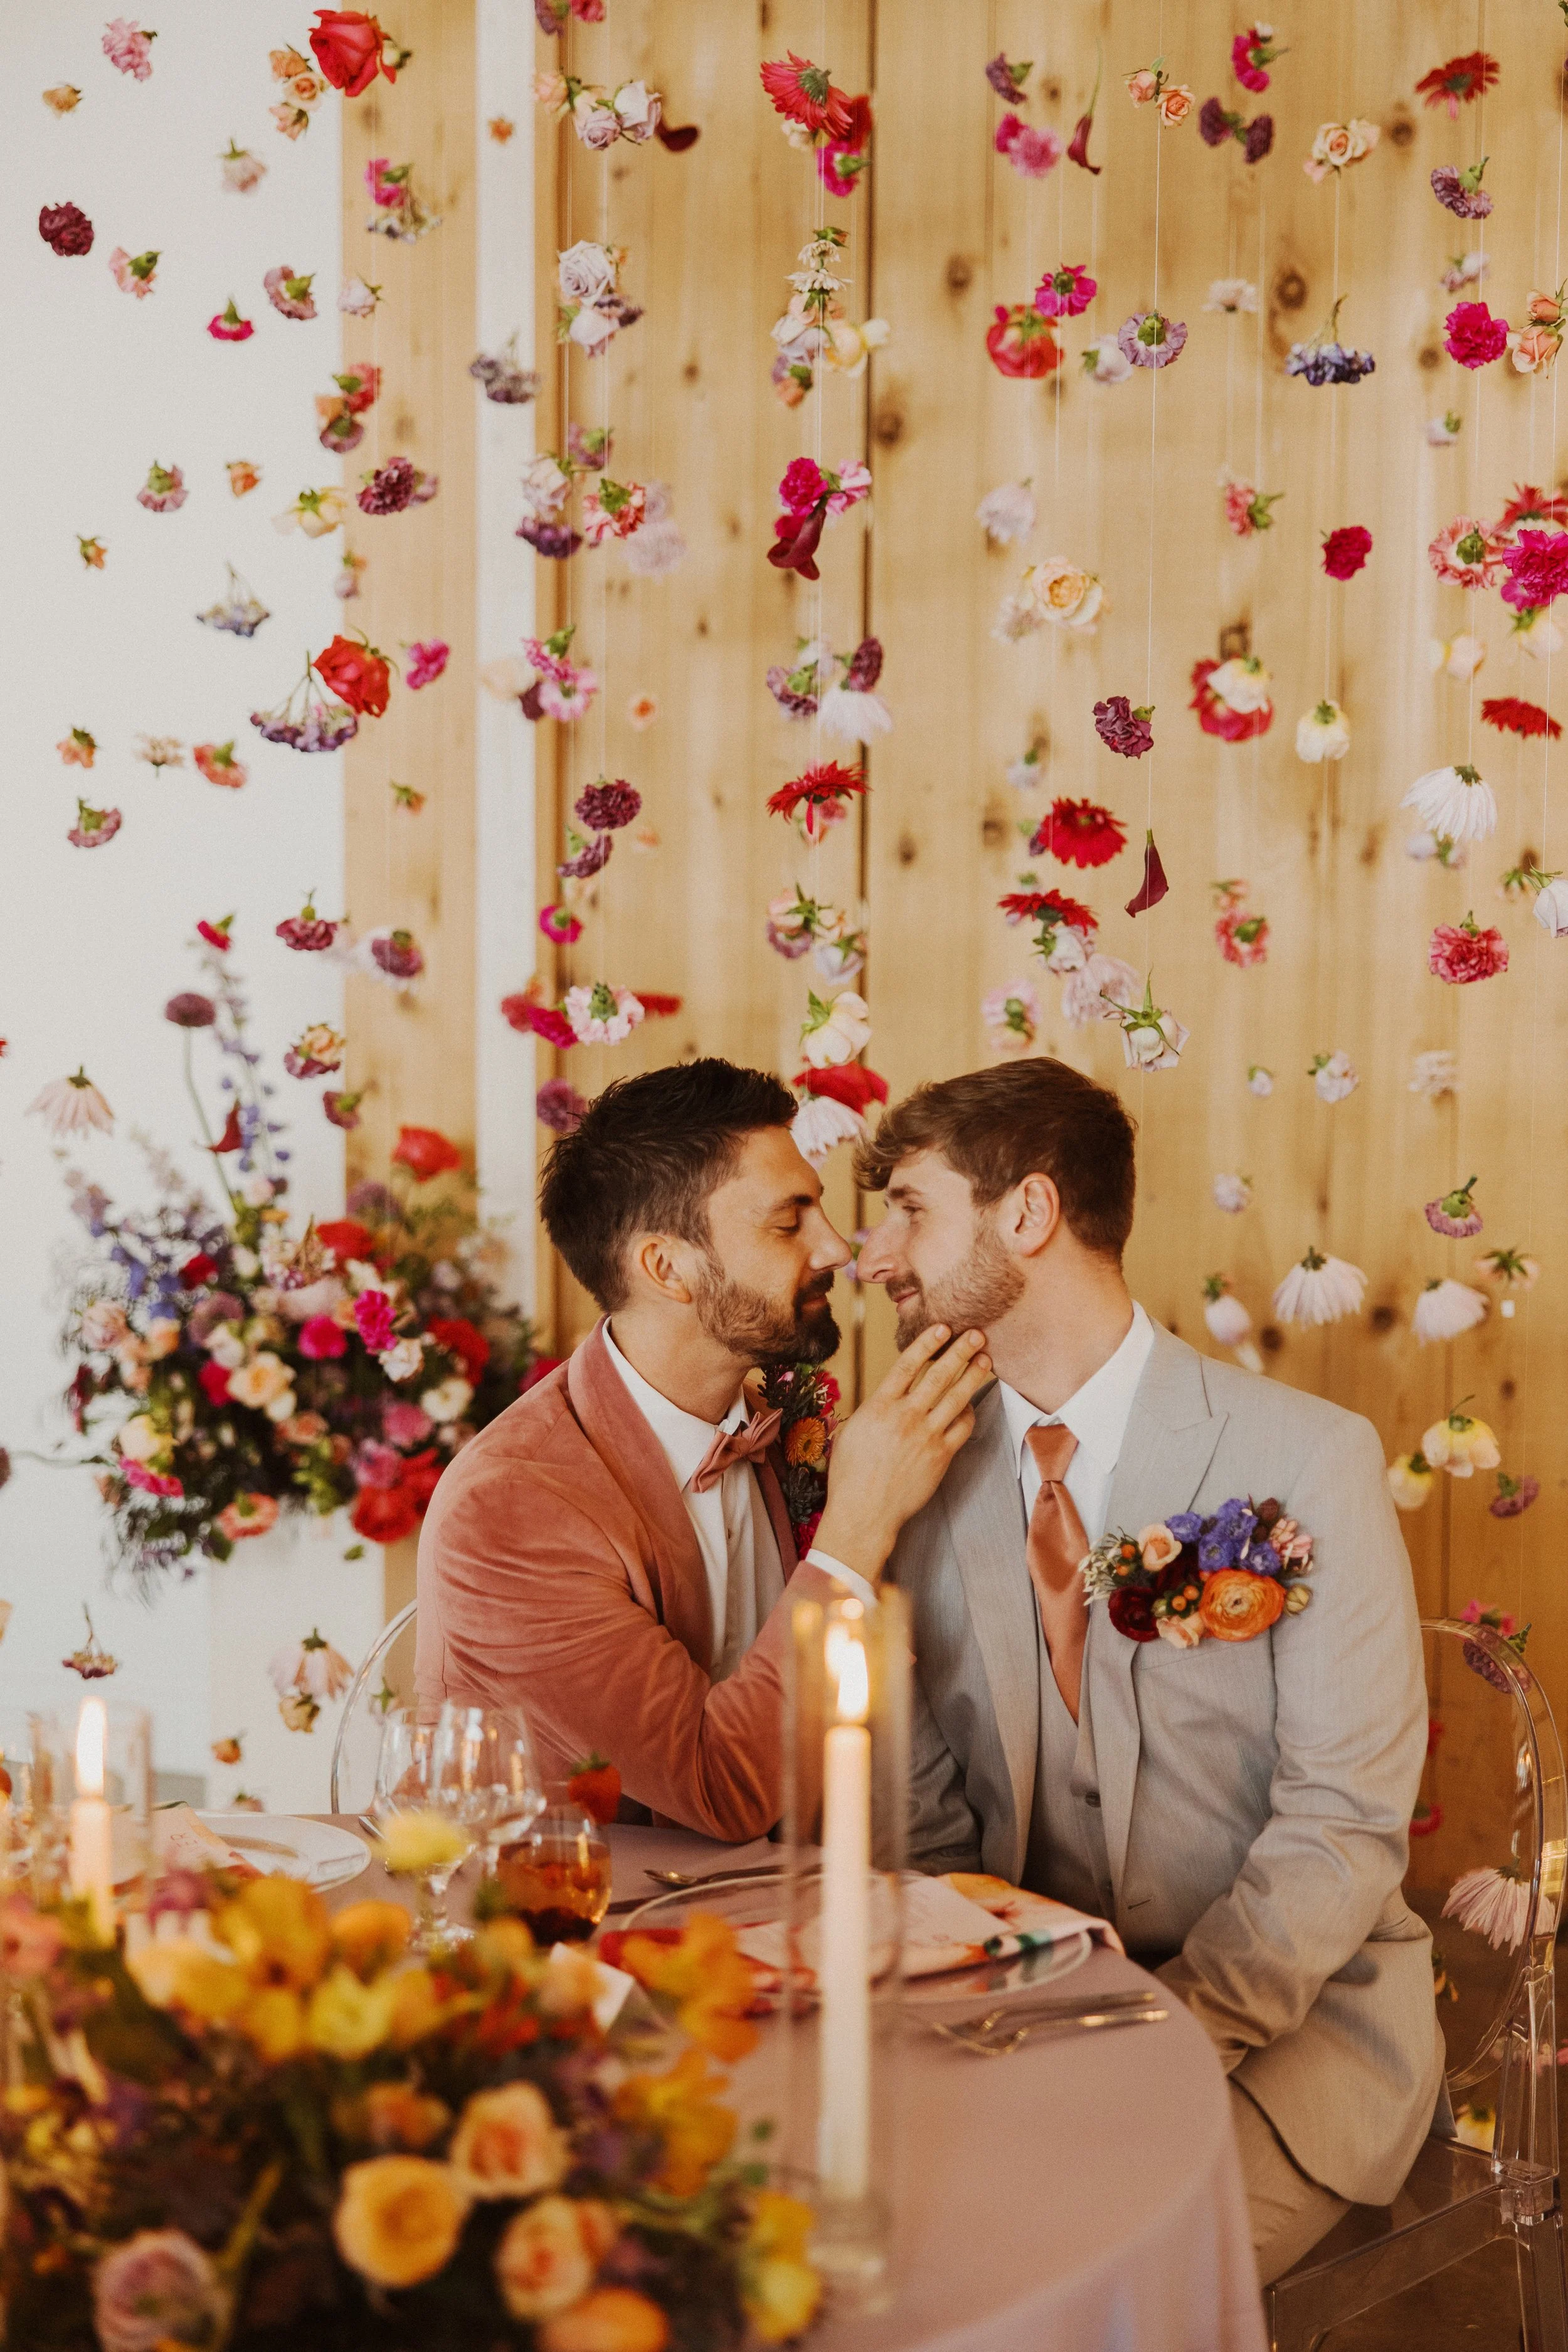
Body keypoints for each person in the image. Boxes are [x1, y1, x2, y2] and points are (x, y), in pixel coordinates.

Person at [831, 1057, 1444, 2287]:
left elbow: (1338, 1825)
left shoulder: (1306, 1457)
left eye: (906, 1205)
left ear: (1026, 1214)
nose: (870, 1253)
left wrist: (1170, 2035)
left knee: (1067, 2270)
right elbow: (919, 1814)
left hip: (1288, 2041)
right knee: (868, 2246)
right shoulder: (911, 1475)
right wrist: (993, 2015)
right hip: (1013, 2026)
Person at [415, 1057, 990, 1840]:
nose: (833, 1249)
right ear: (666, 1267)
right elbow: (719, 1788)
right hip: (575, 1938)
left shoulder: (788, 1429)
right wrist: (857, 1527)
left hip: (792, 1915)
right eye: (789, 1222)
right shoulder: (511, 1506)